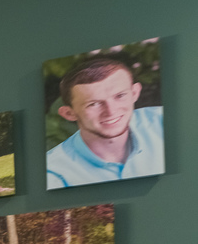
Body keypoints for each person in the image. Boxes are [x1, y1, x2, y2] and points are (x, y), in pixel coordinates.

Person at [46, 54, 165, 188]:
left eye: (120, 96)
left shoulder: (164, 121)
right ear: (69, 113)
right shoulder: (53, 172)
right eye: (94, 104)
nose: (111, 111)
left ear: (135, 93)